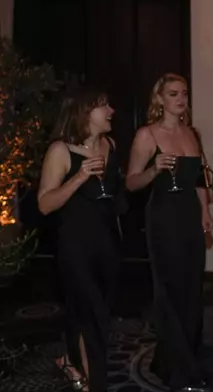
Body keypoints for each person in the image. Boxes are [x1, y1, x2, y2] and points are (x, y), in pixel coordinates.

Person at [126, 73, 213, 392]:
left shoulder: (192, 133)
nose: (181, 99)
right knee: (170, 291)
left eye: (184, 93)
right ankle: (182, 370)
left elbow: (200, 180)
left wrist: (205, 210)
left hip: (190, 218)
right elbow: (131, 181)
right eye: (173, 94)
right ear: (159, 99)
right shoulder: (147, 135)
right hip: (163, 219)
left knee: (191, 290)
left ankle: (173, 358)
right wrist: (154, 168)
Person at [38, 90, 121, 392]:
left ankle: (71, 363)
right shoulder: (61, 150)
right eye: (104, 106)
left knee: (86, 311)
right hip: (75, 247)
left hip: (107, 244)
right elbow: (45, 204)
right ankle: (96, 384)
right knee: (93, 315)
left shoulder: (110, 145)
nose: (111, 110)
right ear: (85, 113)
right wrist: (79, 177)